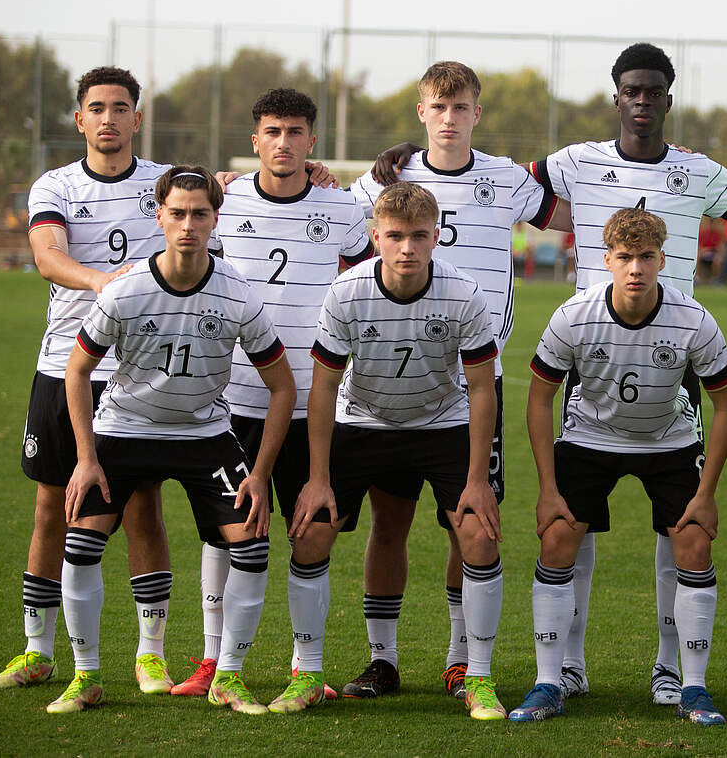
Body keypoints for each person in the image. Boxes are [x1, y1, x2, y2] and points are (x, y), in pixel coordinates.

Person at [372, 42, 727, 707]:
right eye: (632, 91)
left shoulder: (698, 171)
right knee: (570, 521)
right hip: (589, 357)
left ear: (667, 99)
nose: (643, 101)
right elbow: (482, 171)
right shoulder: (575, 163)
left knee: (677, 530)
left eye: (654, 91)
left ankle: (670, 668)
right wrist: (405, 157)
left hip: (674, 357)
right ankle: (569, 665)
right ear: (617, 97)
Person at [48, 166, 296, 714]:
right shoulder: (126, 290)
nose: (188, 225)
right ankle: (85, 676)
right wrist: (86, 459)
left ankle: (228, 677)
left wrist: (258, 473)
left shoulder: (237, 292)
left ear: (215, 219)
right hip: (123, 430)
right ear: (158, 216)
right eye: (177, 213)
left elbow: (283, 387)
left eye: (200, 214)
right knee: (82, 545)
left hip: (204, 434)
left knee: (251, 546)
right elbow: (75, 370)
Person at [347, 61, 556, 702]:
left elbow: (573, 212)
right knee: (388, 523)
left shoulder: (506, 179)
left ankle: (461, 656)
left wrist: (659, 169)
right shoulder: (385, 179)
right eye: (437, 107)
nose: (448, 118)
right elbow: (328, 218)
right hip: (387, 380)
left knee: (468, 522)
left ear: (476, 114)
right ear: (421, 112)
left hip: (473, 382)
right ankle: (382, 660)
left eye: (459, 107)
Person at [168, 88, 370, 709]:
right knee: (227, 531)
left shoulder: (342, 211)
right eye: (272, 131)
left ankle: (306, 669)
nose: (283, 142)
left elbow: (373, 282)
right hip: (234, 402)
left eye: (296, 132)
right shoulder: (221, 206)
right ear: (255, 139)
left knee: (312, 534)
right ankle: (212, 660)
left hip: (316, 402)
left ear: (313, 142)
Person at [0, 66, 177, 696]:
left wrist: (314, 174)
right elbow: (45, 254)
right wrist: (103, 282)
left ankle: (151, 654)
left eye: (121, 108)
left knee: (144, 505)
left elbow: (237, 191)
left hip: (141, 370)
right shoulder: (57, 185)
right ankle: (37, 650)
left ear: (137, 119)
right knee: (50, 507)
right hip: (65, 367)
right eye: (97, 108)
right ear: (80, 119)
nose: (109, 118)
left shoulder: (163, 184)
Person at [510, 208, 727, 725]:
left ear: (663, 259)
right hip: (590, 436)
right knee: (557, 536)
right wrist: (548, 488)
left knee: (694, 540)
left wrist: (707, 490)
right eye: (626, 257)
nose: (636, 268)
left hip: (671, 440)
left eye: (647, 257)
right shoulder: (574, 315)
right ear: (606, 260)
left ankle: (689, 685)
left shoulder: (693, 319)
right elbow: (540, 398)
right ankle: (552, 680)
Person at [292, 181, 508, 721]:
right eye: (394, 236)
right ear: (375, 236)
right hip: (365, 422)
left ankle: (475, 674)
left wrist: (478, 480)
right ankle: (319, 671)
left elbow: (483, 388)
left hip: (442, 422)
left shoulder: (463, 292)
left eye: (418, 236)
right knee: (319, 527)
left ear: (436, 236)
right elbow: (321, 387)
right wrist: (318, 478)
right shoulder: (346, 291)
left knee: (476, 532)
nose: (407, 248)